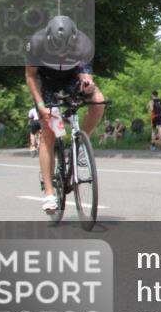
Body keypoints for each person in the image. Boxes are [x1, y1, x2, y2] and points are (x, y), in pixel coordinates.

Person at [24, 15, 105, 214]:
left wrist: (88, 85)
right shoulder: (36, 44)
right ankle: (50, 194)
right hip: (46, 83)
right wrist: (41, 105)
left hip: (70, 78)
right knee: (49, 130)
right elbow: (31, 77)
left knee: (98, 100)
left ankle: (80, 146)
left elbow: (85, 73)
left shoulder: (84, 44)